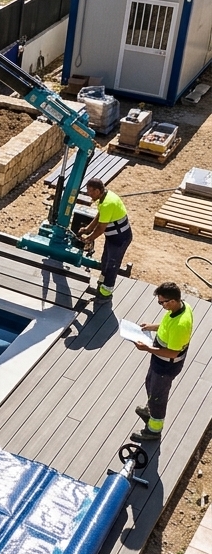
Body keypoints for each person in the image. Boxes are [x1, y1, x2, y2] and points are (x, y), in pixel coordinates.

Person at [131, 282, 194, 442]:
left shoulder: (181, 325)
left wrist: (147, 348)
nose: (161, 305)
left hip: (166, 366)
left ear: (172, 301)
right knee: (150, 383)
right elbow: (166, 326)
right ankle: (150, 409)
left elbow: (173, 352)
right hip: (159, 361)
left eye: (162, 302)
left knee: (158, 398)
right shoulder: (182, 307)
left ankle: (154, 430)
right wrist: (151, 327)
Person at [80, 178, 132, 300]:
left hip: (120, 239)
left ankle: (105, 295)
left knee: (112, 265)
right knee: (105, 260)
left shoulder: (108, 204)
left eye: (90, 191)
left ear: (97, 191)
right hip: (112, 238)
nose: (89, 194)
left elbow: (100, 228)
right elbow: (100, 216)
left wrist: (89, 239)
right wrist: (87, 229)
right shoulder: (104, 198)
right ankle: (102, 283)